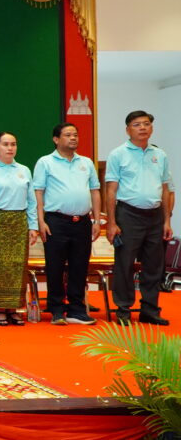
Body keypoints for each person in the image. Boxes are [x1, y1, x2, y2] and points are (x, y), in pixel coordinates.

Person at [105, 110, 173, 326]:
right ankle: (123, 310)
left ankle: (150, 310)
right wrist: (112, 223)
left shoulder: (159, 155)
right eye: (137, 124)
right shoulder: (118, 154)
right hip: (128, 214)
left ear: (151, 128)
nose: (142, 128)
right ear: (128, 130)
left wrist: (167, 221)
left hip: (155, 216)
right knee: (124, 264)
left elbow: (165, 189)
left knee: (154, 266)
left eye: (146, 124)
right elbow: (111, 190)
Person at [33, 123, 101, 325]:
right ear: (56, 139)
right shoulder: (45, 162)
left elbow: (95, 191)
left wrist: (97, 220)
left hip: (82, 221)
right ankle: (56, 309)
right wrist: (40, 221)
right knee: (54, 266)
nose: (73, 138)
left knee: (80, 266)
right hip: (56, 221)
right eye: (68, 135)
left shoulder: (86, 162)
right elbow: (38, 193)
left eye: (75, 134)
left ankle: (76, 310)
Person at [0, 132, 40, 325]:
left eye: (13, 144)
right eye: (5, 144)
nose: (10, 148)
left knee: (17, 267)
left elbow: (32, 201)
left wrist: (33, 226)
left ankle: (14, 309)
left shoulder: (24, 170)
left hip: (18, 223)